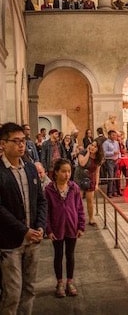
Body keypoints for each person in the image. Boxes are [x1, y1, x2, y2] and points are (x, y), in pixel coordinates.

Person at [0, 122, 47, 315]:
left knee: (30, 289)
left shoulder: (30, 168)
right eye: (16, 141)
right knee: (12, 292)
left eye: (23, 141)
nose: (21, 145)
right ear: (3, 144)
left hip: (33, 239)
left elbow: (41, 200)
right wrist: (24, 231)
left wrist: (41, 226)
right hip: (10, 242)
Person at [44, 158, 85, 298]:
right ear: (56, 172)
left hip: (72, 227)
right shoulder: (49, 190)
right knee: (58, 255)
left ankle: (70, 281)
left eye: (69, 171)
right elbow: (46, 212)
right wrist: (48, 229)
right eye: (63, 171)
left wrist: (81, 226)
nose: (67, 174)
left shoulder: (74, 188)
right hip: (57, 228)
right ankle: (59, 282)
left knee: (70, 255)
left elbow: (79, 208)